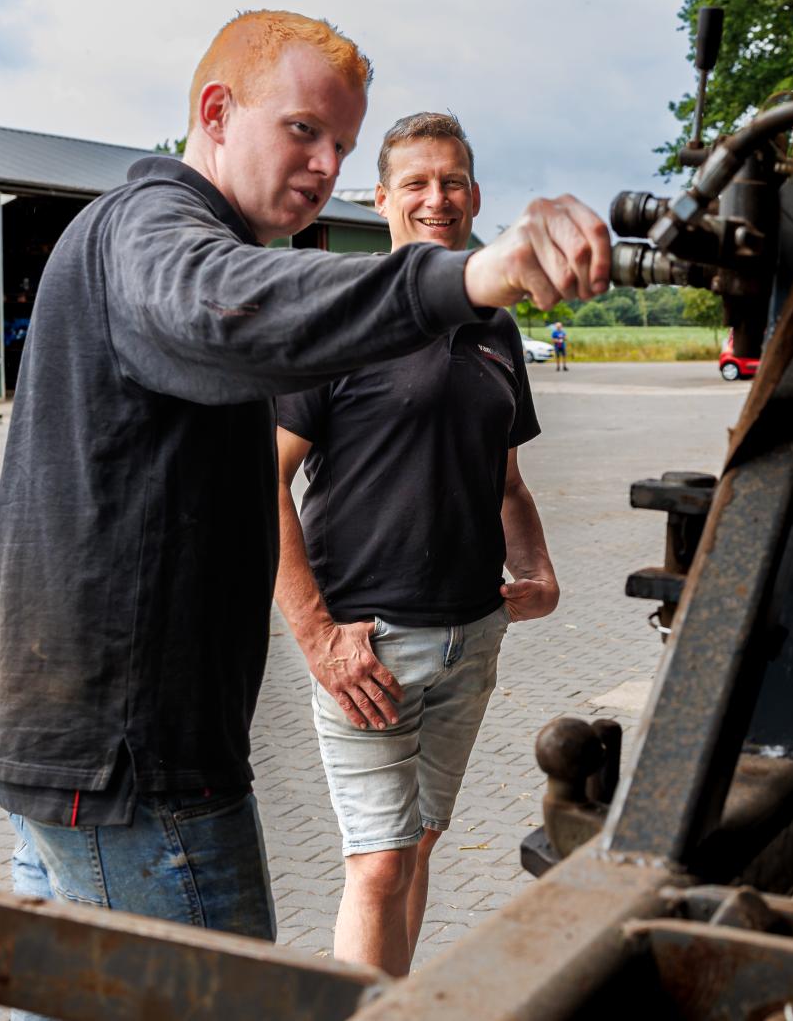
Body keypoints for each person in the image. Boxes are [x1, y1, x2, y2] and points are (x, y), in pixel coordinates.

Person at [0, 10, 609, 1010]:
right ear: (215, 113)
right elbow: (223, 302)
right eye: (302, 131)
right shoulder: (151, 230)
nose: (324, 166)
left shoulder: (144, 236)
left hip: (82, 757)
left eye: (340, 145)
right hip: (136, 768)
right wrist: (471, 274)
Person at [274, 112, 559, 976]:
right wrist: (317, 634)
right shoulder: (342, 316)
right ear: (381, 199)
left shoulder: (494, 325)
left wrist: (537, 568)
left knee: (421, 843)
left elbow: (507, 482)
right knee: (378, 863)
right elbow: (262, 480)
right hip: (369, 647)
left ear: (475, 194)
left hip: (472, 636)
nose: (438, 198)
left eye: (453, 181)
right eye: (417, 183)